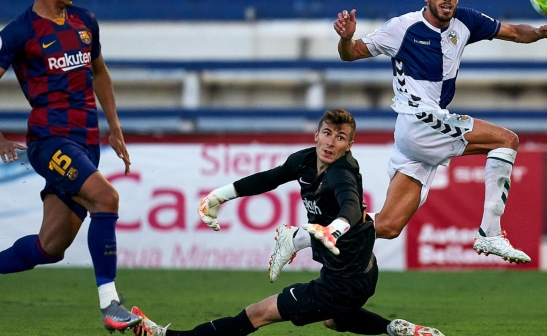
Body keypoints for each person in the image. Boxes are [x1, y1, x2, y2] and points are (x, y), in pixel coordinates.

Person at [268, 0, 547, 282]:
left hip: (420, 135)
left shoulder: (466, 21)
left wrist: (541, 32)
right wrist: (346, 39)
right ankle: (490, 232)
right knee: (506, 140)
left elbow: (512, 32)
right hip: (418, 120)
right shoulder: (402, 28)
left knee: (387, 226)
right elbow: (352, 53)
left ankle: (297, 238)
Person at [129, 109, 445, 336]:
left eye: (340, 138)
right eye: (327, 133)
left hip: (343, 280)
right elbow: (271, 178)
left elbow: (350, 205)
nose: (331, 142)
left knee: (256, 314)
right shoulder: (305, 160)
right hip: (360, 270)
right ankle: (402, 330)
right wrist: (220, 196)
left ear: (349, 145)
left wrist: (333, 229)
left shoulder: (341, 173)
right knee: (335, 320)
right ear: (316, 134)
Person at [0, 0, 142, 332]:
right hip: (49, 141)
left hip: (86, 143)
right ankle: (111, 306)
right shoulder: (19, 32)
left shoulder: (85, 22)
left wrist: (115, 126)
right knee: (106, 199)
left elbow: (99, 71)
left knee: (51, 246)